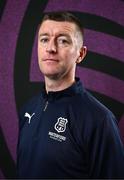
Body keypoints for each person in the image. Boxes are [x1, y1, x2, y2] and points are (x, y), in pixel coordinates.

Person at [17, 11, 124, 179]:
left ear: (80, 54)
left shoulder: (99, 120)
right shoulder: (28, 109)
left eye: (63, 41)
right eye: (44, 39)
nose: (51, 48)